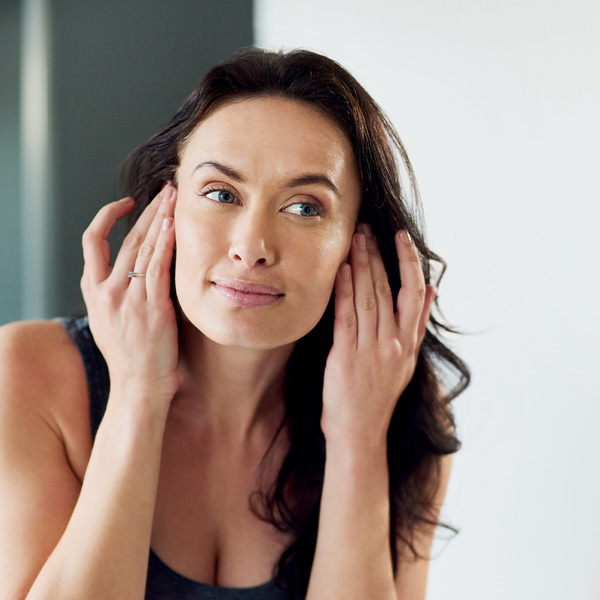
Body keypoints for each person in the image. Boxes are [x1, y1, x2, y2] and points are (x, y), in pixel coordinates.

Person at [0, 48, 469, 600]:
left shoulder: (401, 412)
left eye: (305, 207)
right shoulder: (26, 372)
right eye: (221, 194)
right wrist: (136, 394)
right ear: (166, 208)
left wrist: (359, 439)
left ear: (356, 243)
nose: (251, 248)